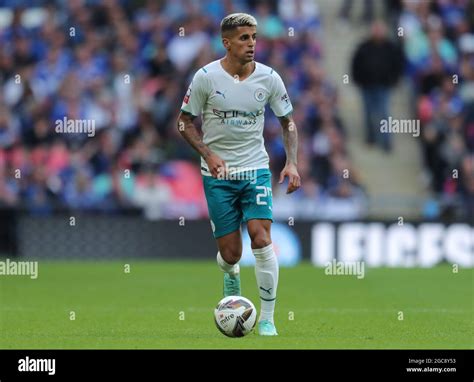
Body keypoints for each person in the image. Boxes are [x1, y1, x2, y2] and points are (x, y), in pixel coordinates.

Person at [177, 13, 300, 336]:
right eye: (244, 38)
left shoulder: (269, 78)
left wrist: (292, 162)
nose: (251, 44)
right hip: (217, 175)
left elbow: (287, 122)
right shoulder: (205, 78)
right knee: (231, 253)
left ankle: (268, 318)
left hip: (255, 170)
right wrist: (208, 153)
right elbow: (184, 122)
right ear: (227, 42)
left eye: (254, 38)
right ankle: (230, 273)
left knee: (261, 239)